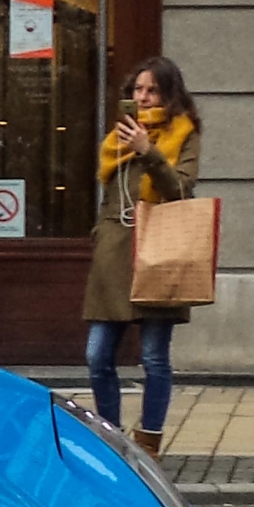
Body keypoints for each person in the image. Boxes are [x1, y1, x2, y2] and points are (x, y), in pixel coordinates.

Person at [82, 56, 202, 456]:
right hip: (114, 253)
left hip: (160, 252)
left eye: (152, 90)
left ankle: (148, 443)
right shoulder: (117, 138)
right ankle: (111, 436)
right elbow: (109, 194)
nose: (143, 97)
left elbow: (181, 191)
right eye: (138, 89)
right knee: (97, 354)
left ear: (169, 94)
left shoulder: (183, 133)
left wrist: (149, 151)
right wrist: (101, 235)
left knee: (153, 357)